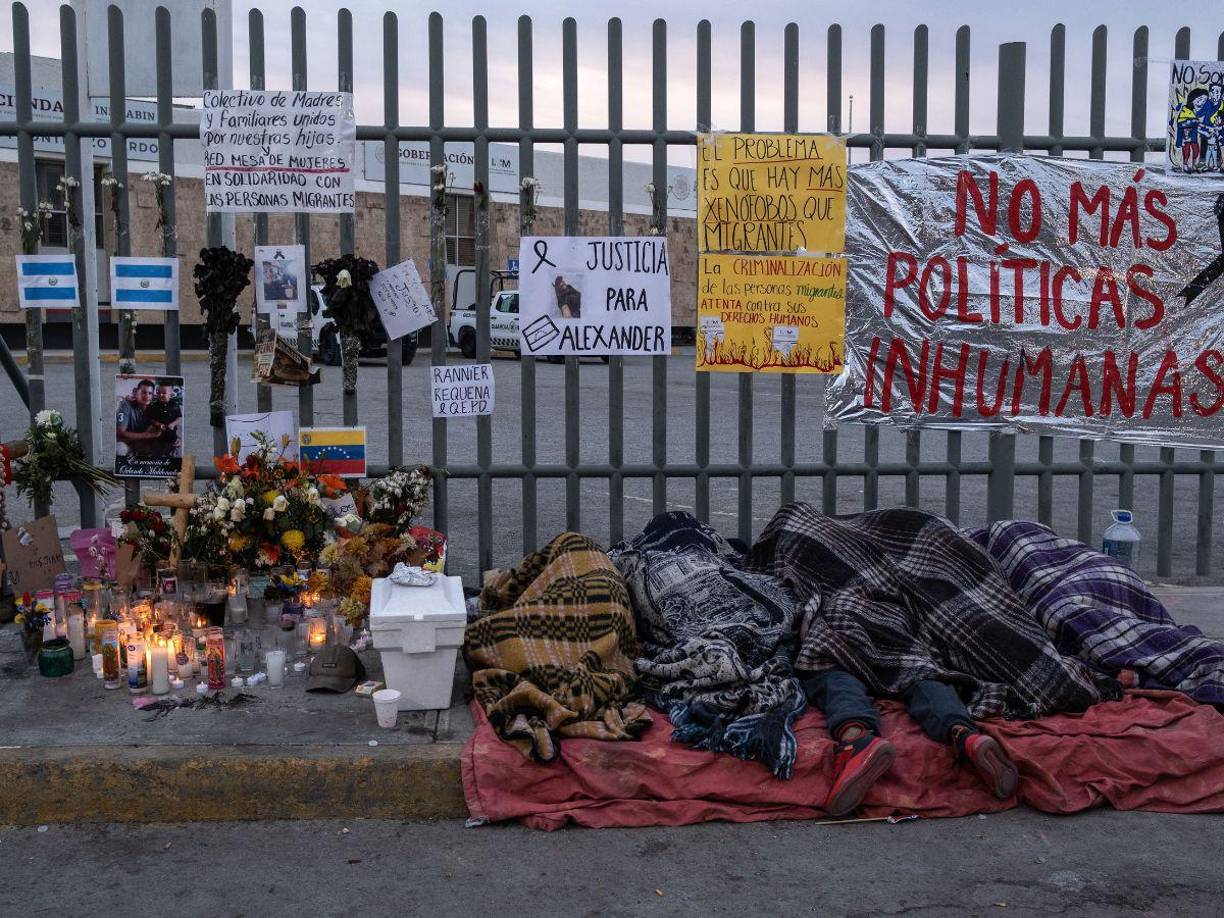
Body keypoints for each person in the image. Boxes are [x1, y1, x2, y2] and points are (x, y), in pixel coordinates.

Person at [807, 668, 1019, 817]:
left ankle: (856, 739)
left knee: (837, 681)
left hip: (843, 646)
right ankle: (964, 737)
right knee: (926, 681)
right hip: (900, 652)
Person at [115, 378, 165, 457]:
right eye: (143, 392)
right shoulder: (126, 405)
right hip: (126, 442)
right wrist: (148, 435)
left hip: (144, 444)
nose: (147, 396)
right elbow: (121, 432)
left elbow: (164, 427)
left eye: (150, 393)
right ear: (135, 391)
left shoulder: (155, 408)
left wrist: (175, 438)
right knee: (119, 448)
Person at [142, 382, 182, 458]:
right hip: (157, 433)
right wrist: (158, 424)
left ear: (170, 394)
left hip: (171, 434)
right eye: (159, 392)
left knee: (171, 449)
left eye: (164, 393)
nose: (160, 395)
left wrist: (173, 424)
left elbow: (179, 417)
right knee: (157, 451)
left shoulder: (175, 405)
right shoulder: (154, 405)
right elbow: (149, 418)